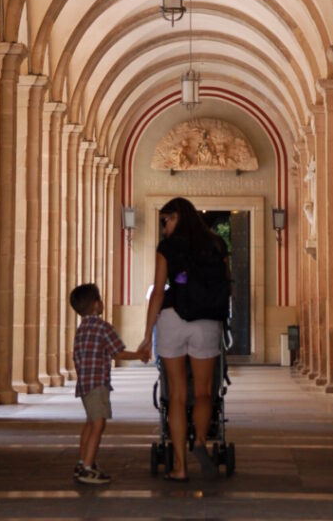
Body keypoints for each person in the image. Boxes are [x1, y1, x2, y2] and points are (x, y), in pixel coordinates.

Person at [139, 197, 230, 482]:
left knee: (177, 395)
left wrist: (146, 334)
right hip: (206, 322)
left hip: (172, 319)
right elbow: (225, 284)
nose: (164, 225)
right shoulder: (217, 244)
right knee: (204, 392)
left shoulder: (167, 247)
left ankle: (179, 467)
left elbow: (157, 292)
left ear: (177, 217)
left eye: (167, 220)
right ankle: (201, 441)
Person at [69, 282, 149, 485]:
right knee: (98, 423)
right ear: (97, 305)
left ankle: (82, 461)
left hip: (85, 384)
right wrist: (139, 355)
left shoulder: (81, 330)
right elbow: (117, 353)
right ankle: (87, 467)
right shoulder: (103, 328)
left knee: (89, 422)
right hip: (97, 383)